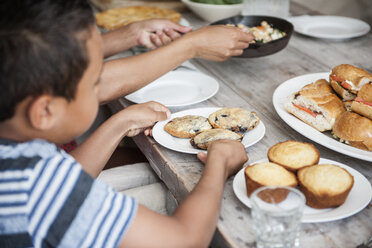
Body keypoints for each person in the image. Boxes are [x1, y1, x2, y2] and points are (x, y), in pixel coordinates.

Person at [0, 1, 249, 247]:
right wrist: (219, 163)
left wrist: (120, 122)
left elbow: (65, 174)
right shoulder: (36, 191)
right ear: (44, 111)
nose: (101, 88)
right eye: (95, 82)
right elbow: (184, 240)